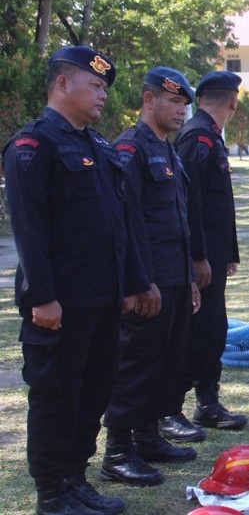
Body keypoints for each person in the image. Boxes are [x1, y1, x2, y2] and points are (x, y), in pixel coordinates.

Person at [3, 46, 150, 515]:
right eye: (95, 85)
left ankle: (76, 480)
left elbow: (119, 224)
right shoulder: (33, 145)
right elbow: (29, 228)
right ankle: (51, 494)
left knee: (93, 392)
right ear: (63, 84)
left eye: (105, 87)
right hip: (59, 304)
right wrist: (42, 297)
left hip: (102, 300)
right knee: (56, 397)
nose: (103, 95)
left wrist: (130, 285)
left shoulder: (100, 146)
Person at [100, 67, 202, 487]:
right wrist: (140, 282)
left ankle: (147, 437)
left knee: (166, 361)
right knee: (137, 364)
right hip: (149, 283)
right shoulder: (131, 148)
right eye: (173, 101)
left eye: (184, 104)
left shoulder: (169, 150)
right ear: (148, 100)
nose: (181, 111)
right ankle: (118, 452)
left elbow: (174, 221)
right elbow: (127, 223)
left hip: (175, 278)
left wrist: (190, 276)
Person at [163, 70, 246, 441]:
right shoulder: (197, 137)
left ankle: (207, 403)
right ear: (232, 102)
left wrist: (226, 252)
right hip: (199, 259)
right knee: (196, 331)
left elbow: (217, 205)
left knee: (213, 330)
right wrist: (198, 257)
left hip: (212, 254)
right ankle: (172, 409)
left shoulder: (210, 136)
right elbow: (189, 203)